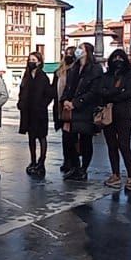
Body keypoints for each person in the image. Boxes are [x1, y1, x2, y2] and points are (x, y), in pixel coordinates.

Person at [60, 41, 102, 181]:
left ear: (87, 52)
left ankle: (83, 169)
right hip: (71, 111)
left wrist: (76, 103)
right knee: (69, 139)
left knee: (85, 141)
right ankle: (75, 167)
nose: (77, 51)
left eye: (80, 48)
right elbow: (68, 87)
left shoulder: (95, 68)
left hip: (85, 110)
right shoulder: (74, 68)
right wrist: (65, 100)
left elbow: (94, 91)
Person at [98, 49, 131, 191]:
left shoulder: (129, 75)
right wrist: (116, 92)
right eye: (114, 57)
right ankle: (115, 174)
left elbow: (127, 93)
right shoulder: (107, 76)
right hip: (109, 114)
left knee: (124, 145)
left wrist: (110, 94)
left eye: (120, 57)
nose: (117, 60)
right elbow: (101, 92)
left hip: (124, 114)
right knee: (111, 145)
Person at [17, 51, 54, 177]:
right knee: (31, 137)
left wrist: (42, 105)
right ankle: (32, 161)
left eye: (33, 60)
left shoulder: (43, 77)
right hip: (28, 112)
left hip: (39, 112)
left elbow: (49, 94)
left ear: (39, 62)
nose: (30, 62)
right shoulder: (26, 76)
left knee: (41, 136)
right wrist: (20, 102)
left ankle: (41, 162)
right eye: (29, 59)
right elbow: (21, 91)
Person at [53, 46, 78, 174]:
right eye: (66, 53)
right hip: (60, 108)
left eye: (71, 54)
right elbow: (54, 91)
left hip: (72, 107)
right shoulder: (59, 72)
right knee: (65, 136)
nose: (68, 56)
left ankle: (74, 163)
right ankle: (66, 160)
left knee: (72, 137)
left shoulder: (76, 71)